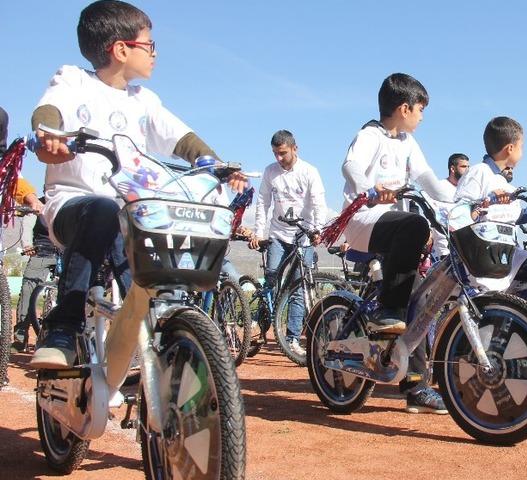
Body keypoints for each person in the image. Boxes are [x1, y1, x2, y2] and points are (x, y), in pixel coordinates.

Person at [28, 0, 245, 369]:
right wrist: (48, 135)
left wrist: (216, 164)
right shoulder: (73, 80)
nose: (155, 53)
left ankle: (159, 330)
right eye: (150, 45)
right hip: (74, 206)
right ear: (121, 49)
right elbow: (49, 111)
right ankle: (62, 326)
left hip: (130, 212)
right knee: (105, 209)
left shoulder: (144, 101)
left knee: (153, 226)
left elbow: (181, 136)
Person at [340, 73, 449, 414]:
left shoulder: (407, 142)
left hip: (395, 227)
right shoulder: (370, 134)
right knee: (415, 225)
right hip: (363, 221)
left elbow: (429, 179)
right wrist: (368, 190)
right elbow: (351, 166)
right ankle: (387, 310)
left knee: (419, 299)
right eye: (420, 109)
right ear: (404, 108)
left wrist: (463, 199)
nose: (422, 116)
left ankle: (416, 386)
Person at [248, 130, 326, 358]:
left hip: (303, 235)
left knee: (298, 288)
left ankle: (291, 338)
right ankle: (259, 322)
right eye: (275, 154)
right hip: (278, 235)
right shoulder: (270, 172)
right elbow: (262, 202)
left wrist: (317, 229)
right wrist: (258, 231)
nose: (278, 158)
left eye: (282, 153)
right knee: (271, 279)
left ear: (295, 148)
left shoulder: (310, 172)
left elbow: (319, 203)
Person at [454, 116, 527, 288]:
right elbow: (459, 213)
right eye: (521, 147)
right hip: (482, 255)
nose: (522, 153)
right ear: (510, 148)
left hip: (508, 254)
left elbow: (516, 216)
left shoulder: (502, 181)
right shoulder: (479, 173)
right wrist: (485, 202)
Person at [12, 199, 59, 352]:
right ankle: (20, 338)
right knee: (27, 289)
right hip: (41, 252)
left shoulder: (72, 203)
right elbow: (27, 225)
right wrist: (27, 245)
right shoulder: (37, 203)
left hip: (66, 254)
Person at [430, 153, 469, 258]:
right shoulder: (439, 188)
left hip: (466, 248)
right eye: (464, 167)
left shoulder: (469, 191)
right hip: (444, 249)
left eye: (468, 167)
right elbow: (434, 217)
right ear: (452, 168)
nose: (467, 170)